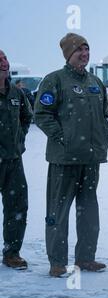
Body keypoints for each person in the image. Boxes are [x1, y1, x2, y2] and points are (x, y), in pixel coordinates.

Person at [34, 33, 108, 277]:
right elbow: (42, 114)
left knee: (89, 210)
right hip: (64, 159)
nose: (84, 54)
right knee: (59, 211)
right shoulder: (54, 80)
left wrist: (104, 138)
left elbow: (105, 116)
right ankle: (57, 262)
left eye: (87, 50)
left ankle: (86, 258)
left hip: (91, 159)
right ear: (68, 54)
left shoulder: (96, 83)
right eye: (79, 50)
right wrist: (62, 138)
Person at [0, 50, 33, 270]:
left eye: (4, 58)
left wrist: (18, 139)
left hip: (13, 161)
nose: (3, 62)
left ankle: (12, 253)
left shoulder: (15, 93)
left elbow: (26, 116)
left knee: (17, 206)